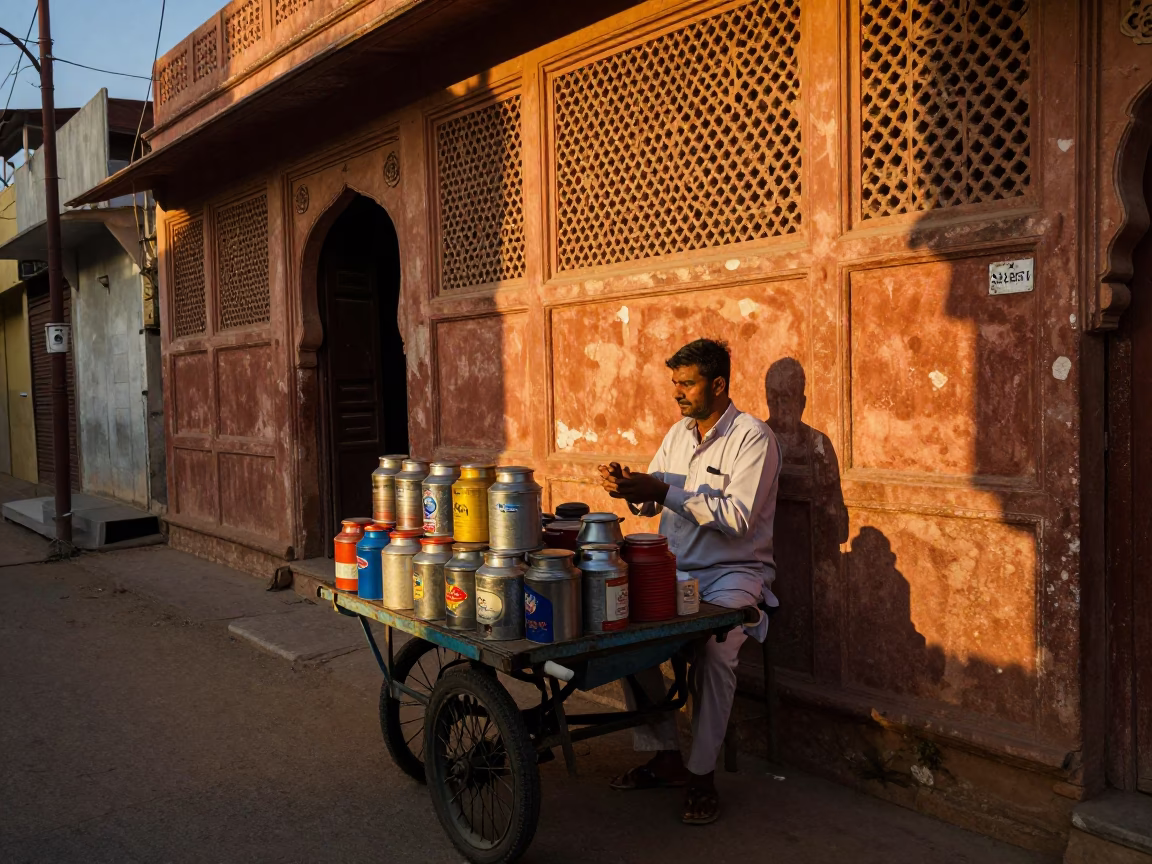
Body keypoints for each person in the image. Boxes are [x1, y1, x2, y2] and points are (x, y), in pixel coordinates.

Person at [598, 338, 781, 826]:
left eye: (687, 383)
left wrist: (662, 489)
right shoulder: (678, 433)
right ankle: (665, 756)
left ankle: (701, 775)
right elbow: (653, 500)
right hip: (674, 569)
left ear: (718, 384)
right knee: (626, 632)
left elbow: (737, 518)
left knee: (716, 652)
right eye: (675, 383)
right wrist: (630, 487)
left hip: (732, 574)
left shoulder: (753, 438)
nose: (677, 392)